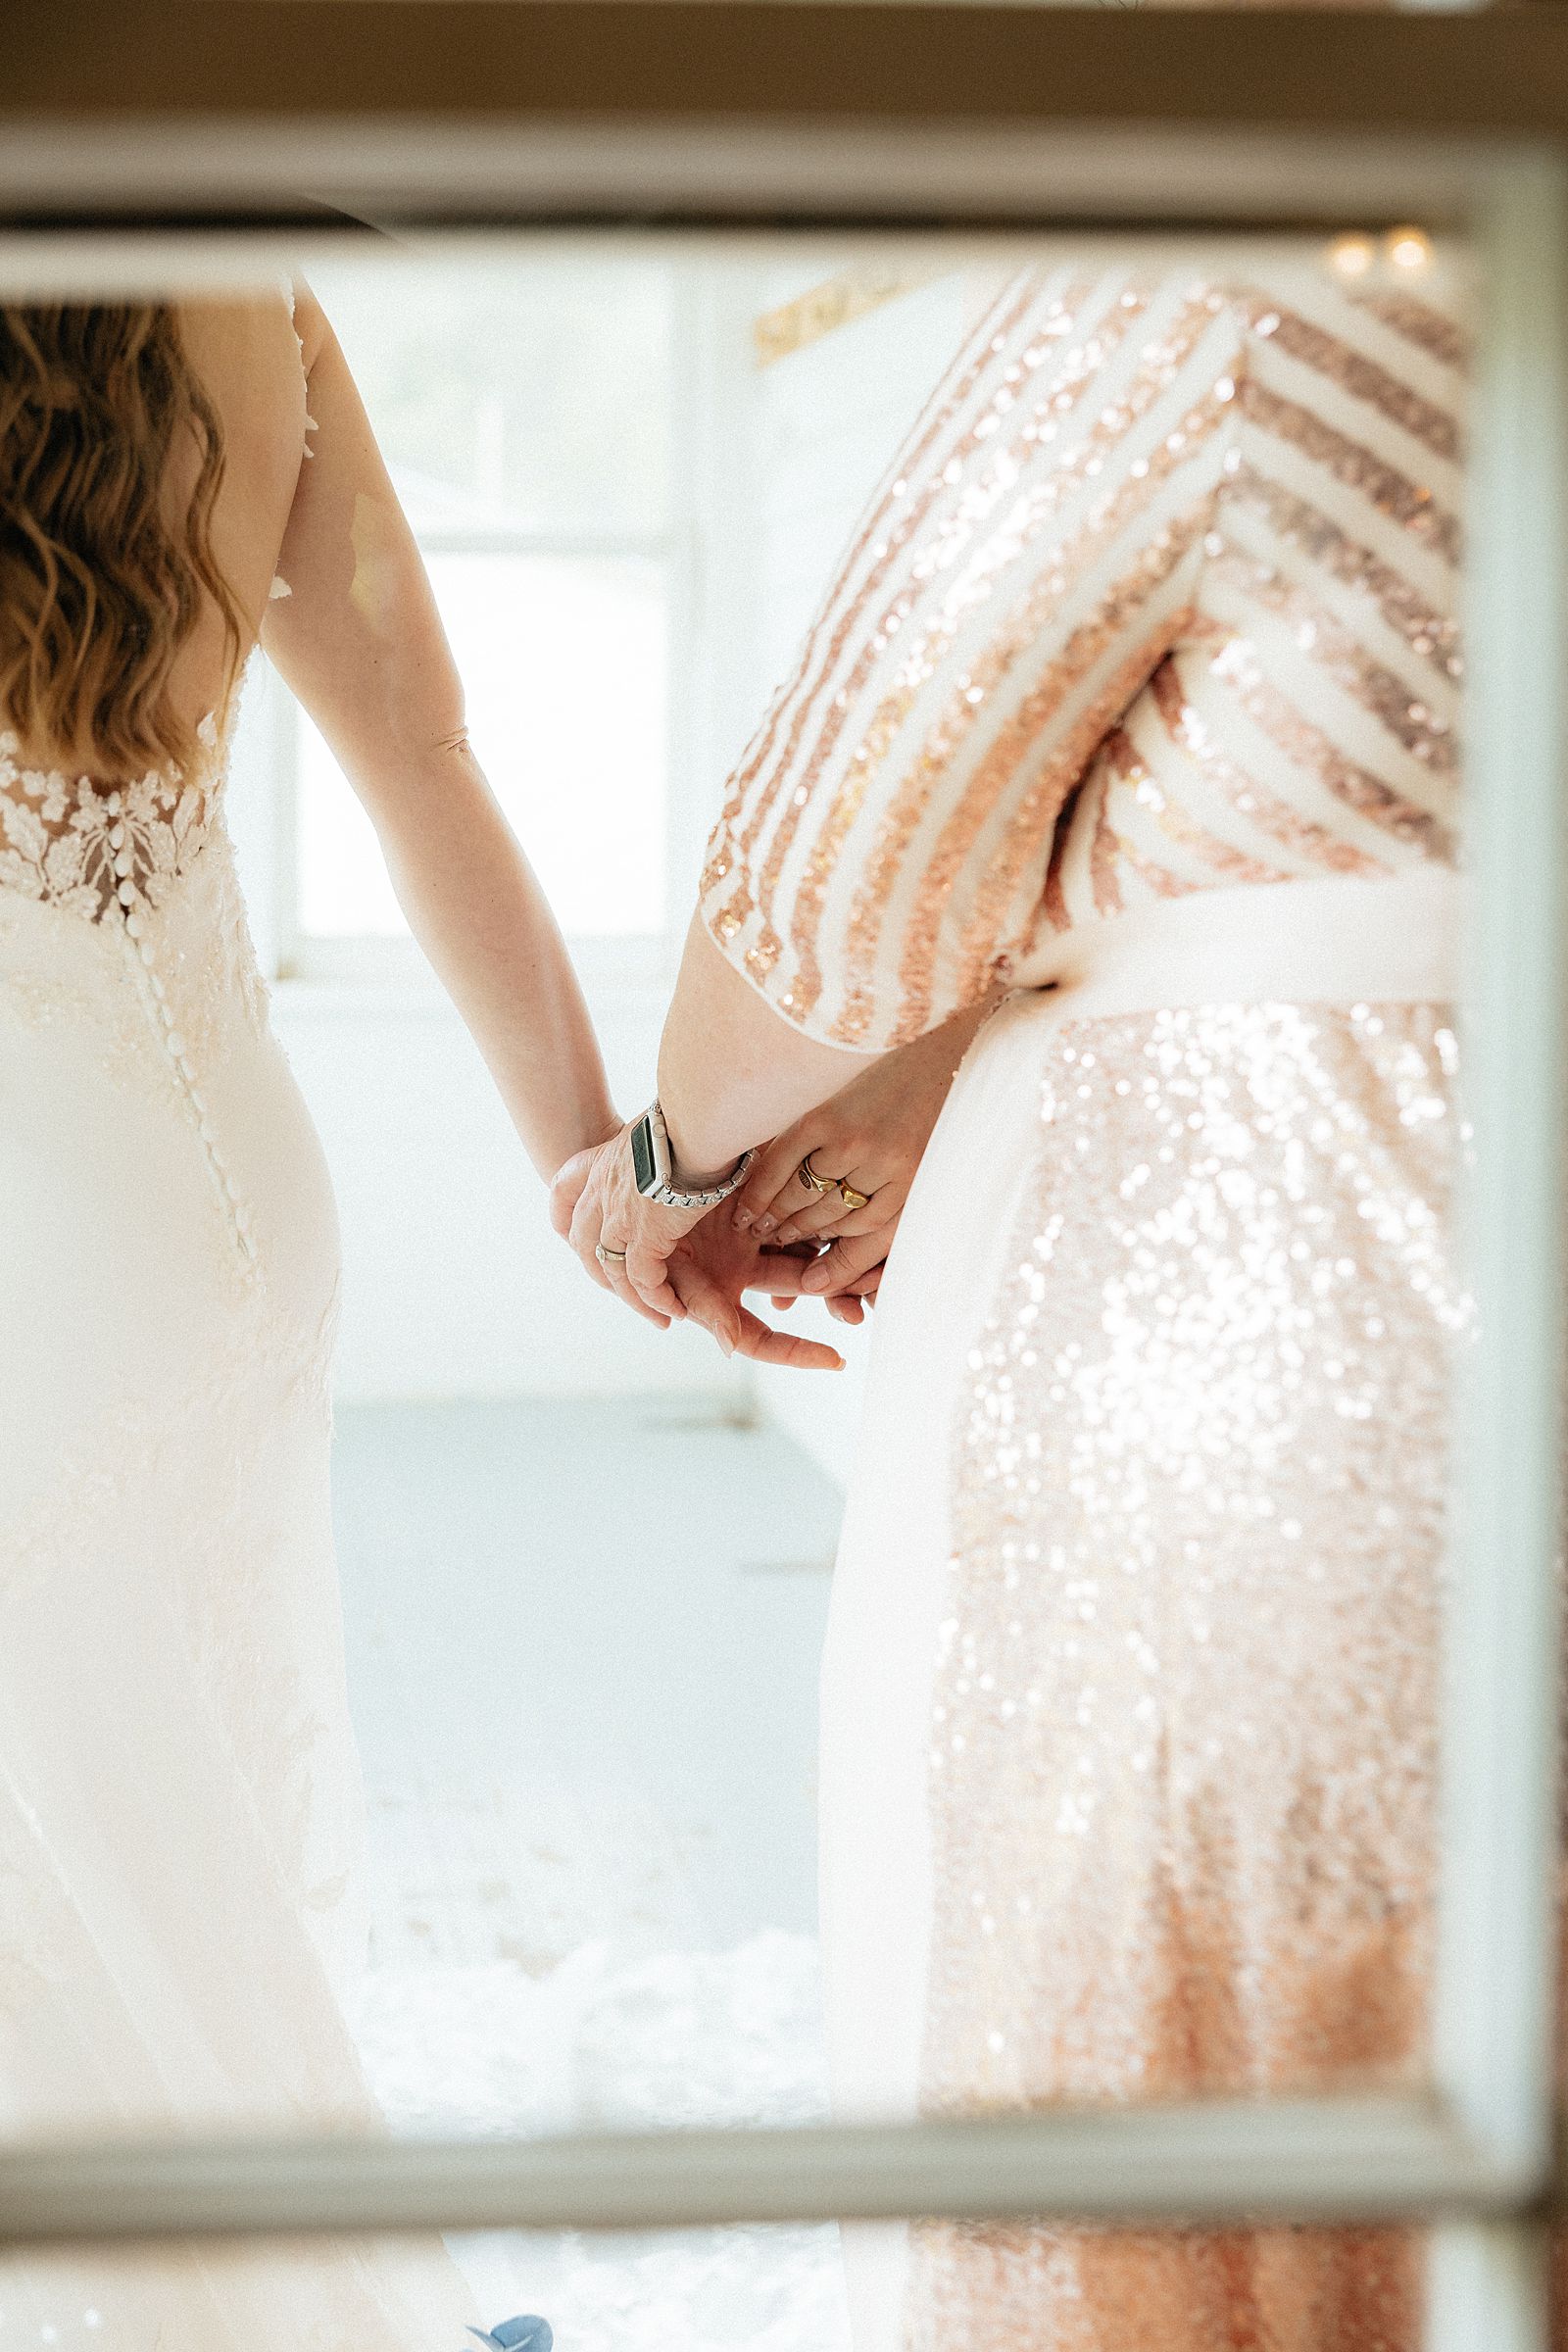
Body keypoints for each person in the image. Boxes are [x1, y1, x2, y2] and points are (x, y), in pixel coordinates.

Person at [560, 257, 1467, 2349]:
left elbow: (847, 846)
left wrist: (674, 1174)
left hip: (1279, 1368)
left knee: (1199, 2118)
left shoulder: (1245, 260)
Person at [0, 286, 832, 2347]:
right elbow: (425, 754)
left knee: (85, 1891)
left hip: (36, 1239)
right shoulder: (246, 296)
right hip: (242, 1217)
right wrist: (618, 1179)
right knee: (189, 1820)